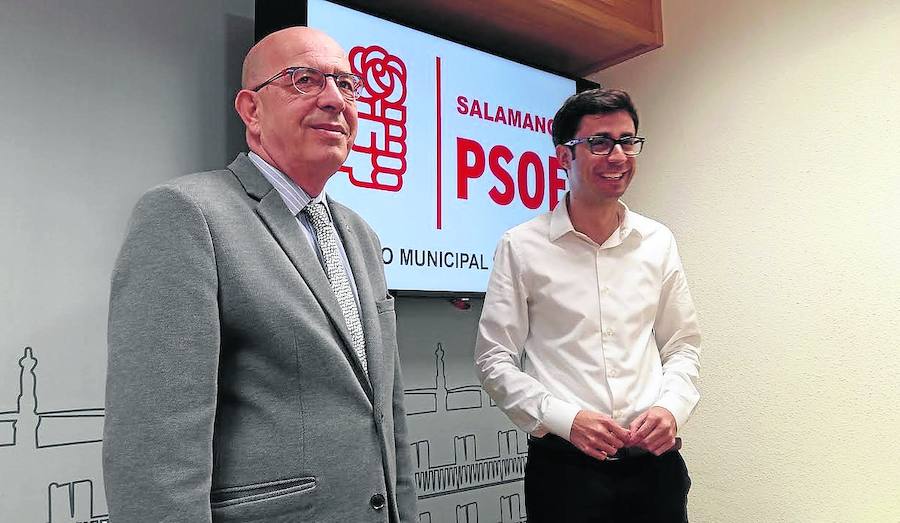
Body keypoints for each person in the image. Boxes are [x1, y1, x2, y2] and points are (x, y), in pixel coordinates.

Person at [103, 27, 416, 522]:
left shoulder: (362, 235)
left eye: (346, 83)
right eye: (304, 80)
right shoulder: (187, 214)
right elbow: (155, 441)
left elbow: (385, 414)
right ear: (251, 110)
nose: (335, 99)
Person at [474, 89, 700, 522]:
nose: (618, 155)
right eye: (599, 142)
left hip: (655, 469)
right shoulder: (521, 246)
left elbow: (682, 345)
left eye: (627, 140)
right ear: (563, 156)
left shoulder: (657, 242)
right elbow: (494, 359)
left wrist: (670, 408)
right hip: (566, 472)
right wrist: (566, 418)